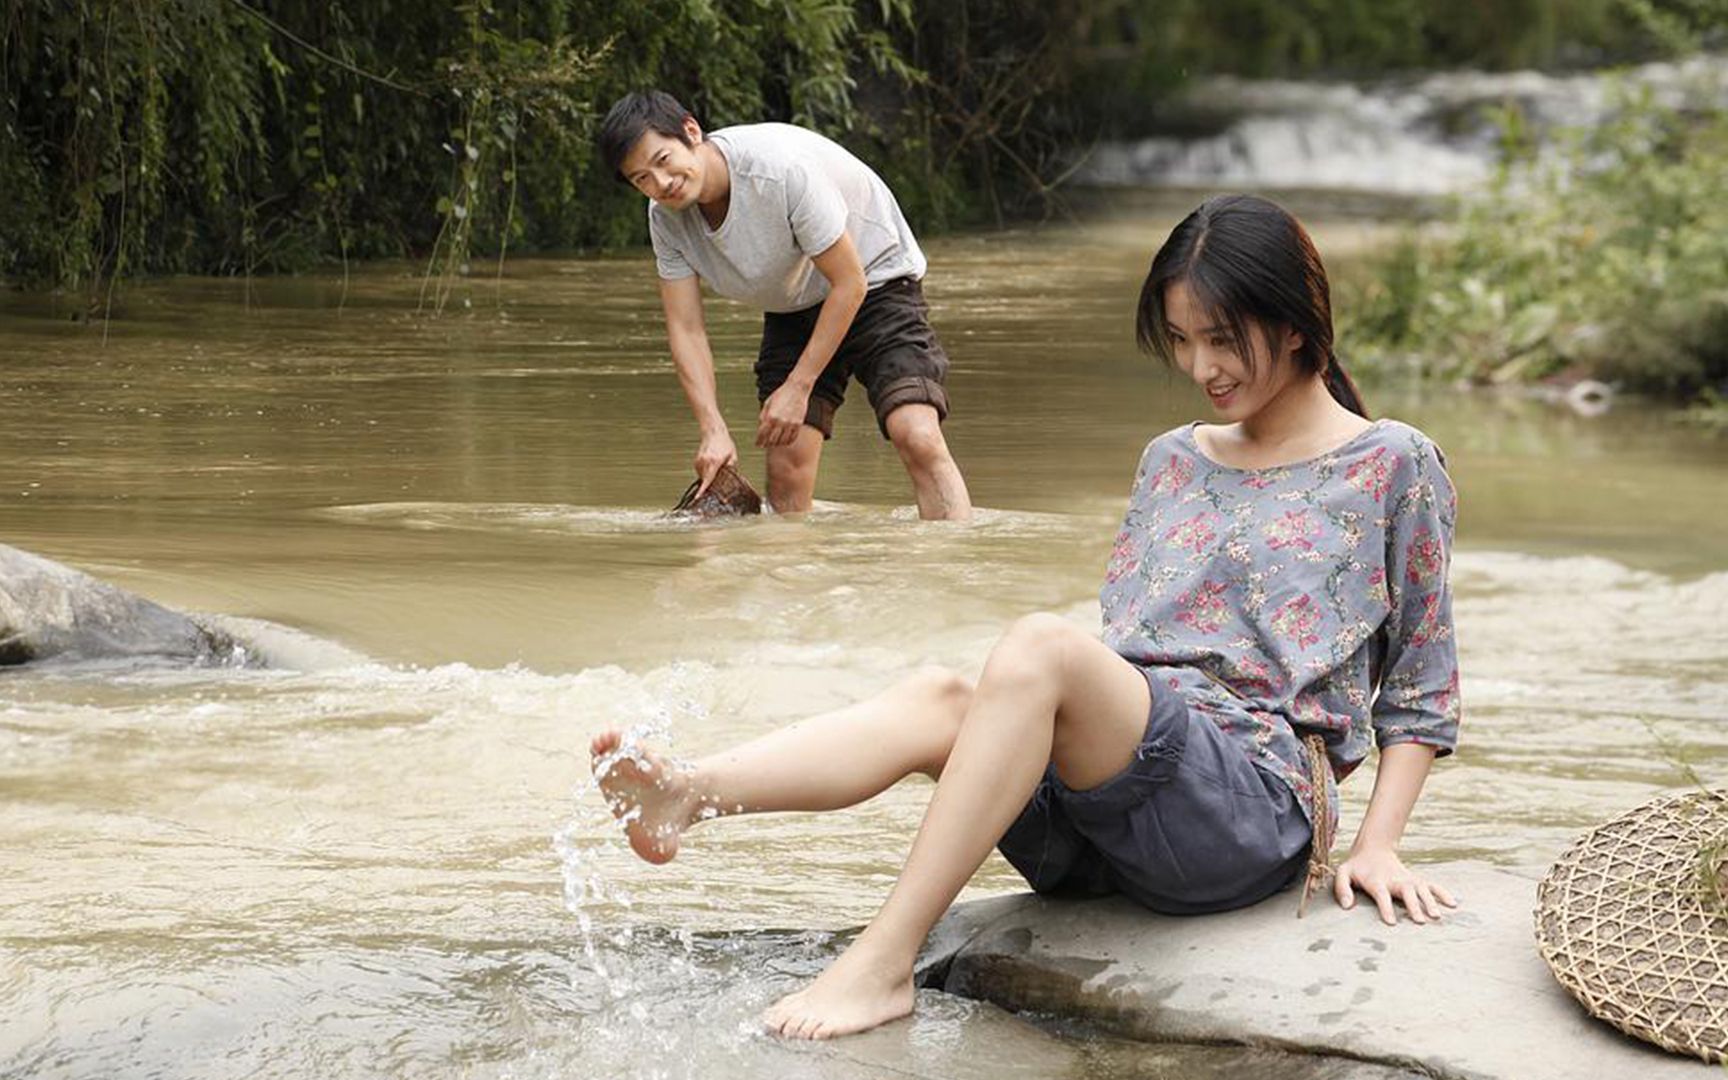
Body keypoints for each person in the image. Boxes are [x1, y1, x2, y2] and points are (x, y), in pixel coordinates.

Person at [589, 194, 1462, 1039]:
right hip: (1116, 816)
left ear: (1298, 322)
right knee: (943, 697)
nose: (1203, 368)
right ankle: (686, 798)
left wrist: (1377, 845)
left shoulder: (1392, 463)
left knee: (1044, 647)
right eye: (1184, 341)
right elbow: (1135, 659)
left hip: (1250, 809)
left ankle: (883, 963)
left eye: (1224, 340)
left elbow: (1420, 685)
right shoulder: (1171, 459)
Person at [596, 91, 973, 520]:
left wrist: (799, 387)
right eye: (642, 178)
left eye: (663, 160)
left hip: (876, 281)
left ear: (690, 131)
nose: (661, 184)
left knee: (916, 434)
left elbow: (850, 284)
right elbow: (686, 328)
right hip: (793, 303)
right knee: (786, 467)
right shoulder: (665, 219)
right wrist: (712, 429)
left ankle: (955, 571)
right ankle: (790, 579)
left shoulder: (779, 172)